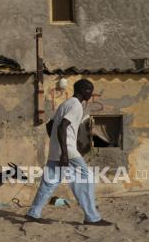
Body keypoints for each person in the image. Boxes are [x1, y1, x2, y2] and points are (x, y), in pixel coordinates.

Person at [26, 79, 112, 226]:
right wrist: (64, 152)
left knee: (49, 182)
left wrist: (55, 145)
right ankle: (92, 218)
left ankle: (33, 213)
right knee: (86, 179)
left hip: (57, 150)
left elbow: (50, 125)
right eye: (88, 90)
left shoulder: (65, 104)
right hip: (68, 150)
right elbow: (61, 127)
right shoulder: (76, 105)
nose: (90, 94)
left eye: (91, 90)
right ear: (81, 90)